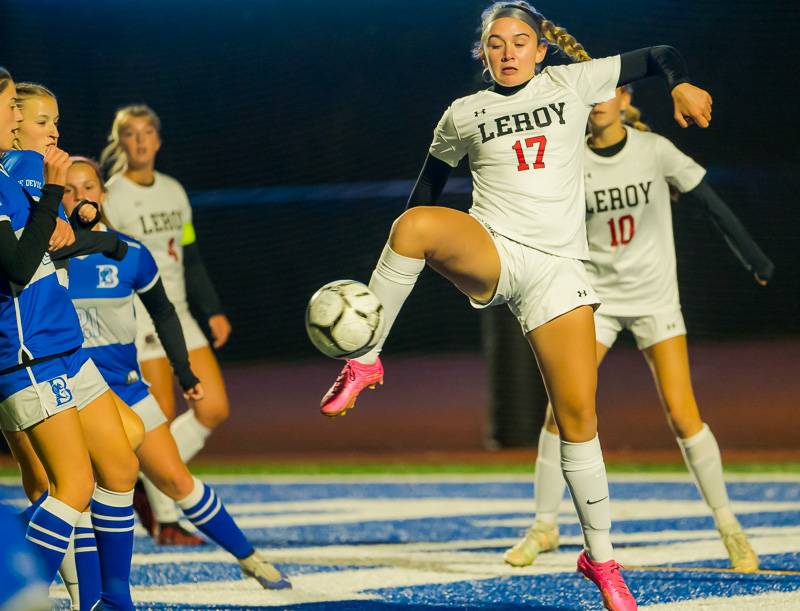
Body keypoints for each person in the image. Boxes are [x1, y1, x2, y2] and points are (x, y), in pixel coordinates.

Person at [318, 3, 714, 608]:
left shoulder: (572, 81)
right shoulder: (463, 113)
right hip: (496, 249)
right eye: (496, 43)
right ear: (484, 52)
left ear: (540, 49)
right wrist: (409, 246)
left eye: (520, 41)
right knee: (415, 225)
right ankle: (366, 359)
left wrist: (682, 83)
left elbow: (660, 56)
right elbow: (427, 188)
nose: (508, 52)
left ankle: (600, 559)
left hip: (560, 272)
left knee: (578, 421)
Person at [504, 86, 772, 572]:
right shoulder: (565, 160)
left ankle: (730, 527)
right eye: (588, 95)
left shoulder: (654, 151)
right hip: (596, 301)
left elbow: (709, 201)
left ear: (625, 98)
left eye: (607, 91)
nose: (598, 101)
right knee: (559, 411)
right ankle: (544, 526)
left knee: (683, 414)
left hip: (654, 299)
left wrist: (753, 258)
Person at [63, 157, 291, 595]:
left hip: (125, 387)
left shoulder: (129, 252)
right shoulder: (43, 255)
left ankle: (249, 557)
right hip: (68, 392)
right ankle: (91, 598)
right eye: (68, 190)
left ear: (103, 193)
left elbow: (164, 311)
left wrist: (184, 370)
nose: (80, 197)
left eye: (88, 186)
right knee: (74, 495)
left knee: (174, 479)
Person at [0, 68, 139, 610]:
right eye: (18, 110)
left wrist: (70, 220)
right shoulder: (19, 168)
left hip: (61, 344)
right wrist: (60, 206)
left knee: (121, 458)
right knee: (67, 487)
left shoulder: (15, 172)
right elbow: (18, 261)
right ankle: (24, 592)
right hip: (33, 350)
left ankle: (110, 600)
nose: (23, 122)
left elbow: (38, 242)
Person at [100, 104, 234, 543]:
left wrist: (211, 308)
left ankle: (148, 476)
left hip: (180, 313)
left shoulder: (175, 191)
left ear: (158, 140)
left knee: (213, 407)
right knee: (160, 417)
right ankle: (167, 520)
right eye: (130, 134)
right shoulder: (112, 196)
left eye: (147, 133)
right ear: (120, 142)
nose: (139, 141)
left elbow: (189, 255)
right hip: (139, 317)